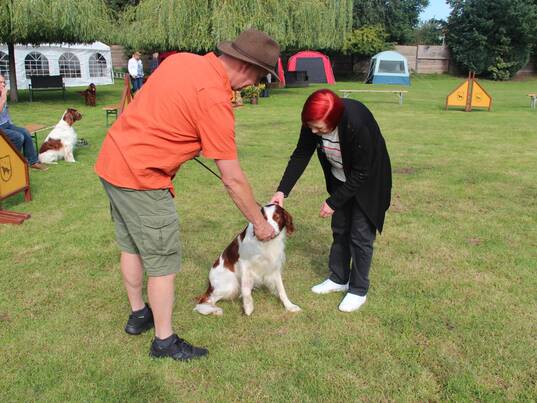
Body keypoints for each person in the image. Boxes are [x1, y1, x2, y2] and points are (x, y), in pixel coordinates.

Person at [95, 29, 280, 361]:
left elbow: (154, 107)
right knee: (163, 264)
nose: (253, 84)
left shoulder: (182, 61)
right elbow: (232, 179)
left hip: (112, 162)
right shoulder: (215, 99)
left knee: (131, 245)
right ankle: (164, 341)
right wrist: (259, 223)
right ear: (247, 67)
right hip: (143, 178)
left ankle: (139, 314)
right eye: (259, 76)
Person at [270, 89, 391, 313]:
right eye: (311, 127)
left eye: (319, 128)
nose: (314, 131)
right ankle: (338, 278)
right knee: (340, 229)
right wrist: (282, 190)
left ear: (334, 119)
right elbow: (301, 153)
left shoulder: (357, 122)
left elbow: (362, 172)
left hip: (369, 182)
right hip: (339, 179)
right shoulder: (314, 122)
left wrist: (333, 202)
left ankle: (358, 290)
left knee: (360, 236)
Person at [0, 74, 47, 171]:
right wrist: (3, 98)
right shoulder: (3, 96)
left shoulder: (1, 94)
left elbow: (5, 112)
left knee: (25, 132)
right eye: (0, 82)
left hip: (6, 124)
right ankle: (13, 162)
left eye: (4, 82)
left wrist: (10, 123)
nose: (3, 84)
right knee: (18, 137)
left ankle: (33, 162)